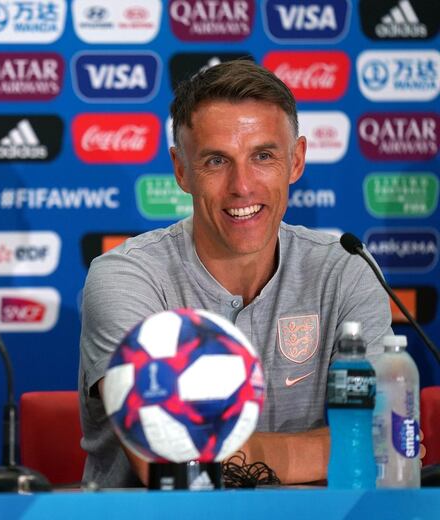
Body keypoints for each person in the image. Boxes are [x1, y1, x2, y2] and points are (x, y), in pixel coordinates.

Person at [78, 60, 393, 487]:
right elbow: (165, 464)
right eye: (215, 161)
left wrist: (218, 448)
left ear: (296, 160)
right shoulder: (127, 278)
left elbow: (385, 438)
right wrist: (331, 449)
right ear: (181, 170)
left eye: (263, 156)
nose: (242, 186)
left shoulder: (346, 271)